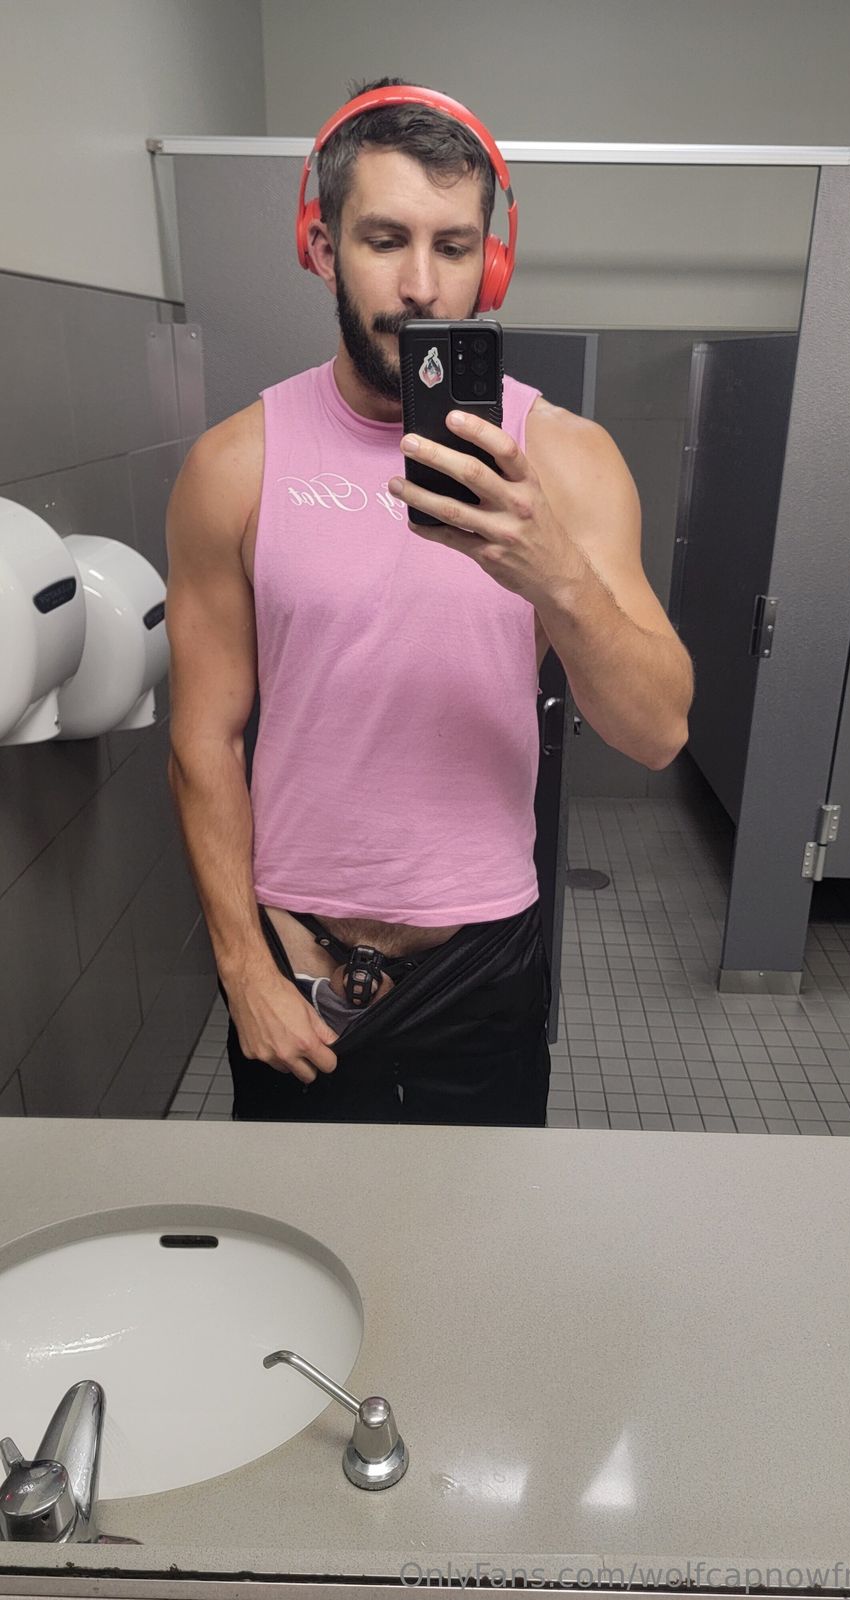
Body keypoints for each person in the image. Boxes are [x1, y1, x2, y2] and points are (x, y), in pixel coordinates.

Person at [164, 76, 693, 1127]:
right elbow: (202, 739)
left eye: (452, 247)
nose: (420, 286)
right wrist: (243, 968)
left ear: (490, 261)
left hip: (481, 962)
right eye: (384, 239)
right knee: (293, 1225)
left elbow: (657, 733)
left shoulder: (567, 461)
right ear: (322, 247)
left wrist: (550, 569)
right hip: (293, 959)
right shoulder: (234, 464)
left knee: (480, 1227)